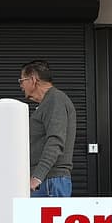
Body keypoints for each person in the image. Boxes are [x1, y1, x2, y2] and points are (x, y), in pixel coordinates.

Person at [18, 60, 75, 197]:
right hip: (46, 181)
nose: (21, 85)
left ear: (33, 80)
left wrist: (37, 177)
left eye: (22, 80)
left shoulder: (55, 99)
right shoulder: (48, 103)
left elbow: (55, 141)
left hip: (49, 181)